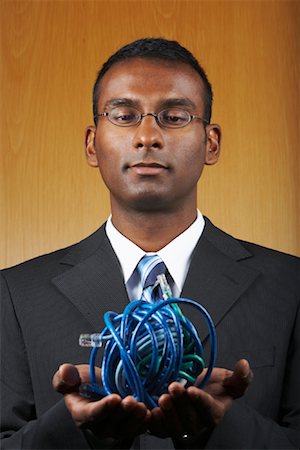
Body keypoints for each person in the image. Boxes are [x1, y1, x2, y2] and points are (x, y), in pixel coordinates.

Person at [1, 38, 299, 450]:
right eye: (124, 115)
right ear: (92, 143)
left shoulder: (290, 286)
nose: (147, 136)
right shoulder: (17, 294)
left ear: (211, 143)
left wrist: (225, 426)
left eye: (174, 116)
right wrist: (71, 428)